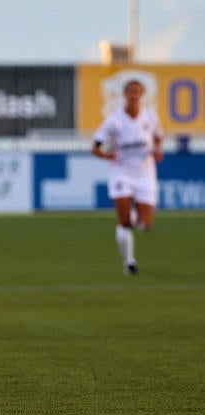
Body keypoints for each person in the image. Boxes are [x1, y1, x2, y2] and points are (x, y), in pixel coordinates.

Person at [91, 79, 163, 275]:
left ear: (142, 95)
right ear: (125, 94)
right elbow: (95, 148)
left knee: (145, 225)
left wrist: (158, 150)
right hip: (121, 172)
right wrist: (108, 155)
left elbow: (157, 137)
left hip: (145, 174)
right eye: (130, 91)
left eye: (137, 91)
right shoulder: (114, 120)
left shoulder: (150, 117)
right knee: (123, 222)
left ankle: (133, 218)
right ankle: (129, 262)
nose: (133, 95)